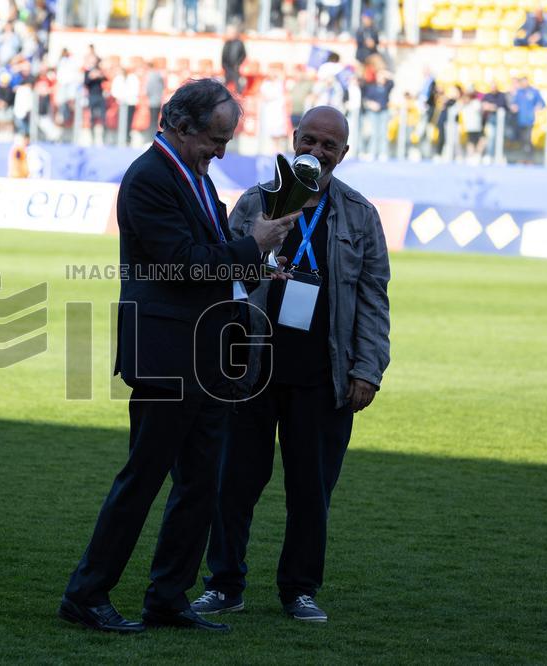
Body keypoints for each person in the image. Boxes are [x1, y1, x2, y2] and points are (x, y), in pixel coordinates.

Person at [59, 79, 300, 634]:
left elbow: (209, 259)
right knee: (143, 479)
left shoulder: (191, 174)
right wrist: (254, 244)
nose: (221, 151)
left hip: (206, 354)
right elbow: (184, 264)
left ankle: (169, 596)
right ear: (180, 125)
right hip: (168, 354)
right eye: (215, 139)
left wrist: (255, 267)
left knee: (200, 484)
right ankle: (86, 592)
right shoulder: (148, 178)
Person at [192, 105, 390, 623]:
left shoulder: (361, 214)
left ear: (343, 155)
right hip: (249, 372)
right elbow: (219, 278)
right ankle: (224, 583)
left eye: (329, 145)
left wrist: (368, 367)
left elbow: (373, 298)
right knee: (233, 485)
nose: (317, 151)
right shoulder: (255, 201)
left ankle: (300, 590)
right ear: (293, 138)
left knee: (311, 492)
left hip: (323, 376)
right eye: (310, 140)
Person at [509, 76, 545, 164]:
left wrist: (538, 106)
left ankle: (530, 158)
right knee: (522, 140)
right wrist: (514, 106)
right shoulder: (519, 92)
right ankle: (523, 158)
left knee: (528, 139)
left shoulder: (534, 92)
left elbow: (542, 103)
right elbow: (514, 103)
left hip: (530, 119)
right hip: (520, 120)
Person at [221, 24, 247, 93]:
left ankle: (238, 99)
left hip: (236, 69)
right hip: (227, 68)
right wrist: (224, 65)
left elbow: (243, 55)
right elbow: (223, 56)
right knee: (225, 86)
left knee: (238, 86)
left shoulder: (239, 43)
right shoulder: (227, 43)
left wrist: (238, 64)